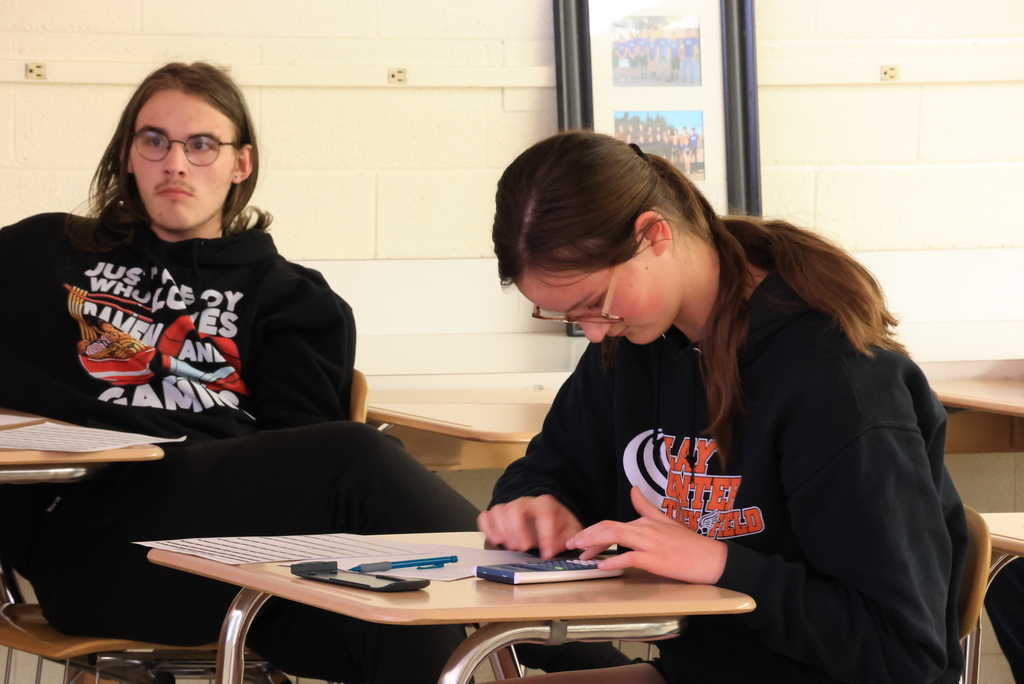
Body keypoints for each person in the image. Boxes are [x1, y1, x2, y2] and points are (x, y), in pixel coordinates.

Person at [0, 64, 626, 683]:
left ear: (240, 164)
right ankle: (602, 659)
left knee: (406, 612)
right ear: (128, 154)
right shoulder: (43, 255)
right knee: (357, 457)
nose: (176, 163)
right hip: (90, 548)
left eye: (201, 144)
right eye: (154, 141)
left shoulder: (291, 299)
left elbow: (304, 473)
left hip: (231, 556)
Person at [478, 130, 969, 683]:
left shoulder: (837, 380)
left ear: (653, 235)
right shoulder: (633, 344)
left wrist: (721, 564)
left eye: (596, 303)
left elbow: (906, 652)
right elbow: (553, 466)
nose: (593, 333)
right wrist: (533, 503)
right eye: (569, 317)